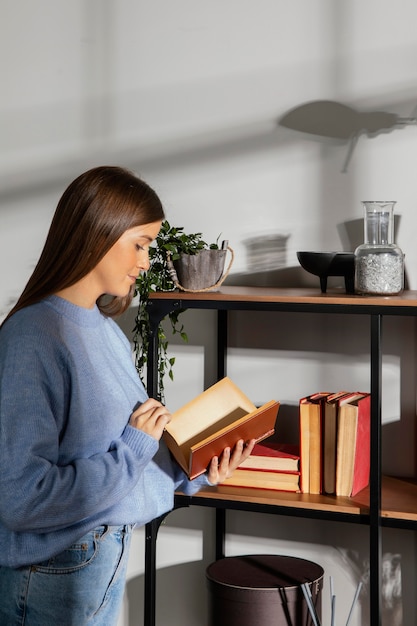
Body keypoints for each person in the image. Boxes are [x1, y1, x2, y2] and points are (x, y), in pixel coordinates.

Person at [0, 166, 255, 625]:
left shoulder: (106, 333)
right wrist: (135, 447)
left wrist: (192, 468)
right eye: (140, 244)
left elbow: (125, 469)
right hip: (52, 577)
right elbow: (22, 499)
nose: (145, 261)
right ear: (98, 232)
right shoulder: (31, 337)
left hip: (97, 566)